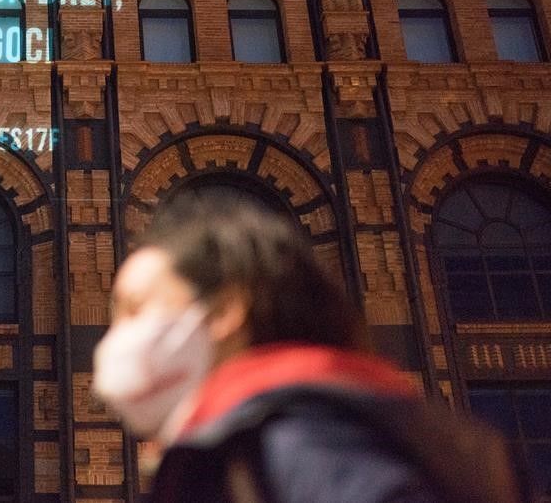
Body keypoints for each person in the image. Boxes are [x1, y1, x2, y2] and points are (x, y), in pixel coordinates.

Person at [92, 195, 524, 503]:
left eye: (135, 309)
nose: (117, 338)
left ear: (225, 310)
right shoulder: (318, 431)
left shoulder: (293, 445)